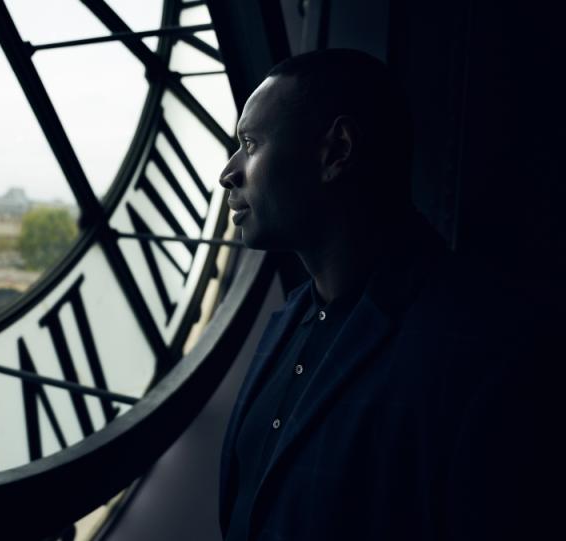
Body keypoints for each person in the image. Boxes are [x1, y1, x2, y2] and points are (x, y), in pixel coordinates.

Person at [217, 49, 554, 540]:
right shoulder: (288, 321)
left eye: (250, 143)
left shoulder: (488, 354)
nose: (230, 171)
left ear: (338, 151)